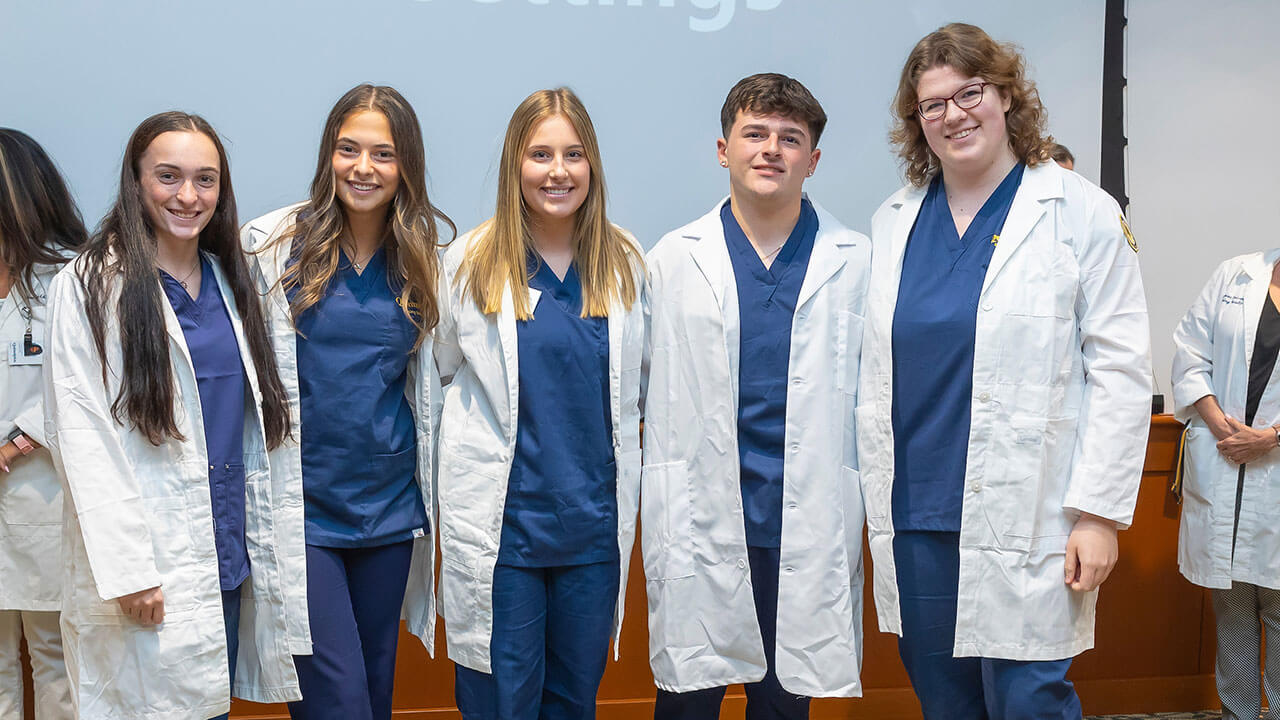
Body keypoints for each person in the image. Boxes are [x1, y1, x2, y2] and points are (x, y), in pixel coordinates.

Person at [857, 23, 1152, 718]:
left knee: (1029, 698)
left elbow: (1121, 368)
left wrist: (1100, 516)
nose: (954, 114)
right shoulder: (894, 221)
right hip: (918, 515)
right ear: (916, 122)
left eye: (971, 93)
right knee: (946, 701)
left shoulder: (1081, 211)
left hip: (1034, 509)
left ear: (1008, 96)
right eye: (933, 105)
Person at [42, 111, 299, 719]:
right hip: (146, 561)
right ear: (136, 182)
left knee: (208, 708)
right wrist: (129, 571)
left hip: (224, 553)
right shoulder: (88, 285)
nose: (188, 196)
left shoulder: (230, 278)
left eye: (205, 179)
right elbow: (81, 435)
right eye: (169, 176)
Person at [642, 72, 870, 719]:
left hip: (802, 524)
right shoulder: (672, 259)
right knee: (686, 700)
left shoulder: (855, 261)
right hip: (702, 521)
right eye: (755, 133)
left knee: (782, 708)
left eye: (790, 138)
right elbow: (634, 388)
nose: (771, 149)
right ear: (724, 150)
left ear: (813, 160)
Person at [241, 84, 453, 720]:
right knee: (338, 703)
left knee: (375, 692)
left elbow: (438, 379)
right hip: (302, 512)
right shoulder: (274, 246)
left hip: (388, 513)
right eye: (348, 149)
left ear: (406, 165)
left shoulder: (427, 261)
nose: (364, 168)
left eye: (383, 154)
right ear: (327, 155)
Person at [435, 87, 645, 720]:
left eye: (574, 154)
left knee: (573, 700)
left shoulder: (626, 261)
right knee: (501, 699)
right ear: (514, 165)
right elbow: (442, 373)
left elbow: (641, 390)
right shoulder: (470, 262)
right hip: (505, 531)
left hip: (591, 530)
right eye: (541, 154)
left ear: (592, 166)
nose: (558, 171)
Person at [0, 128, 85, 720]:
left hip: (42, 493)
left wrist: (14, 441)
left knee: (54, 652)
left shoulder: (68, 280)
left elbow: (84, 384)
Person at [1172, 251, 1280, 720]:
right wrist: (1221, 426)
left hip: (1272, 468)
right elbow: (1190, 354)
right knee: (1233, 618)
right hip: (1226, 468)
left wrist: (1272, 438)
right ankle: (1236, 713)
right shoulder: (1235, 273)